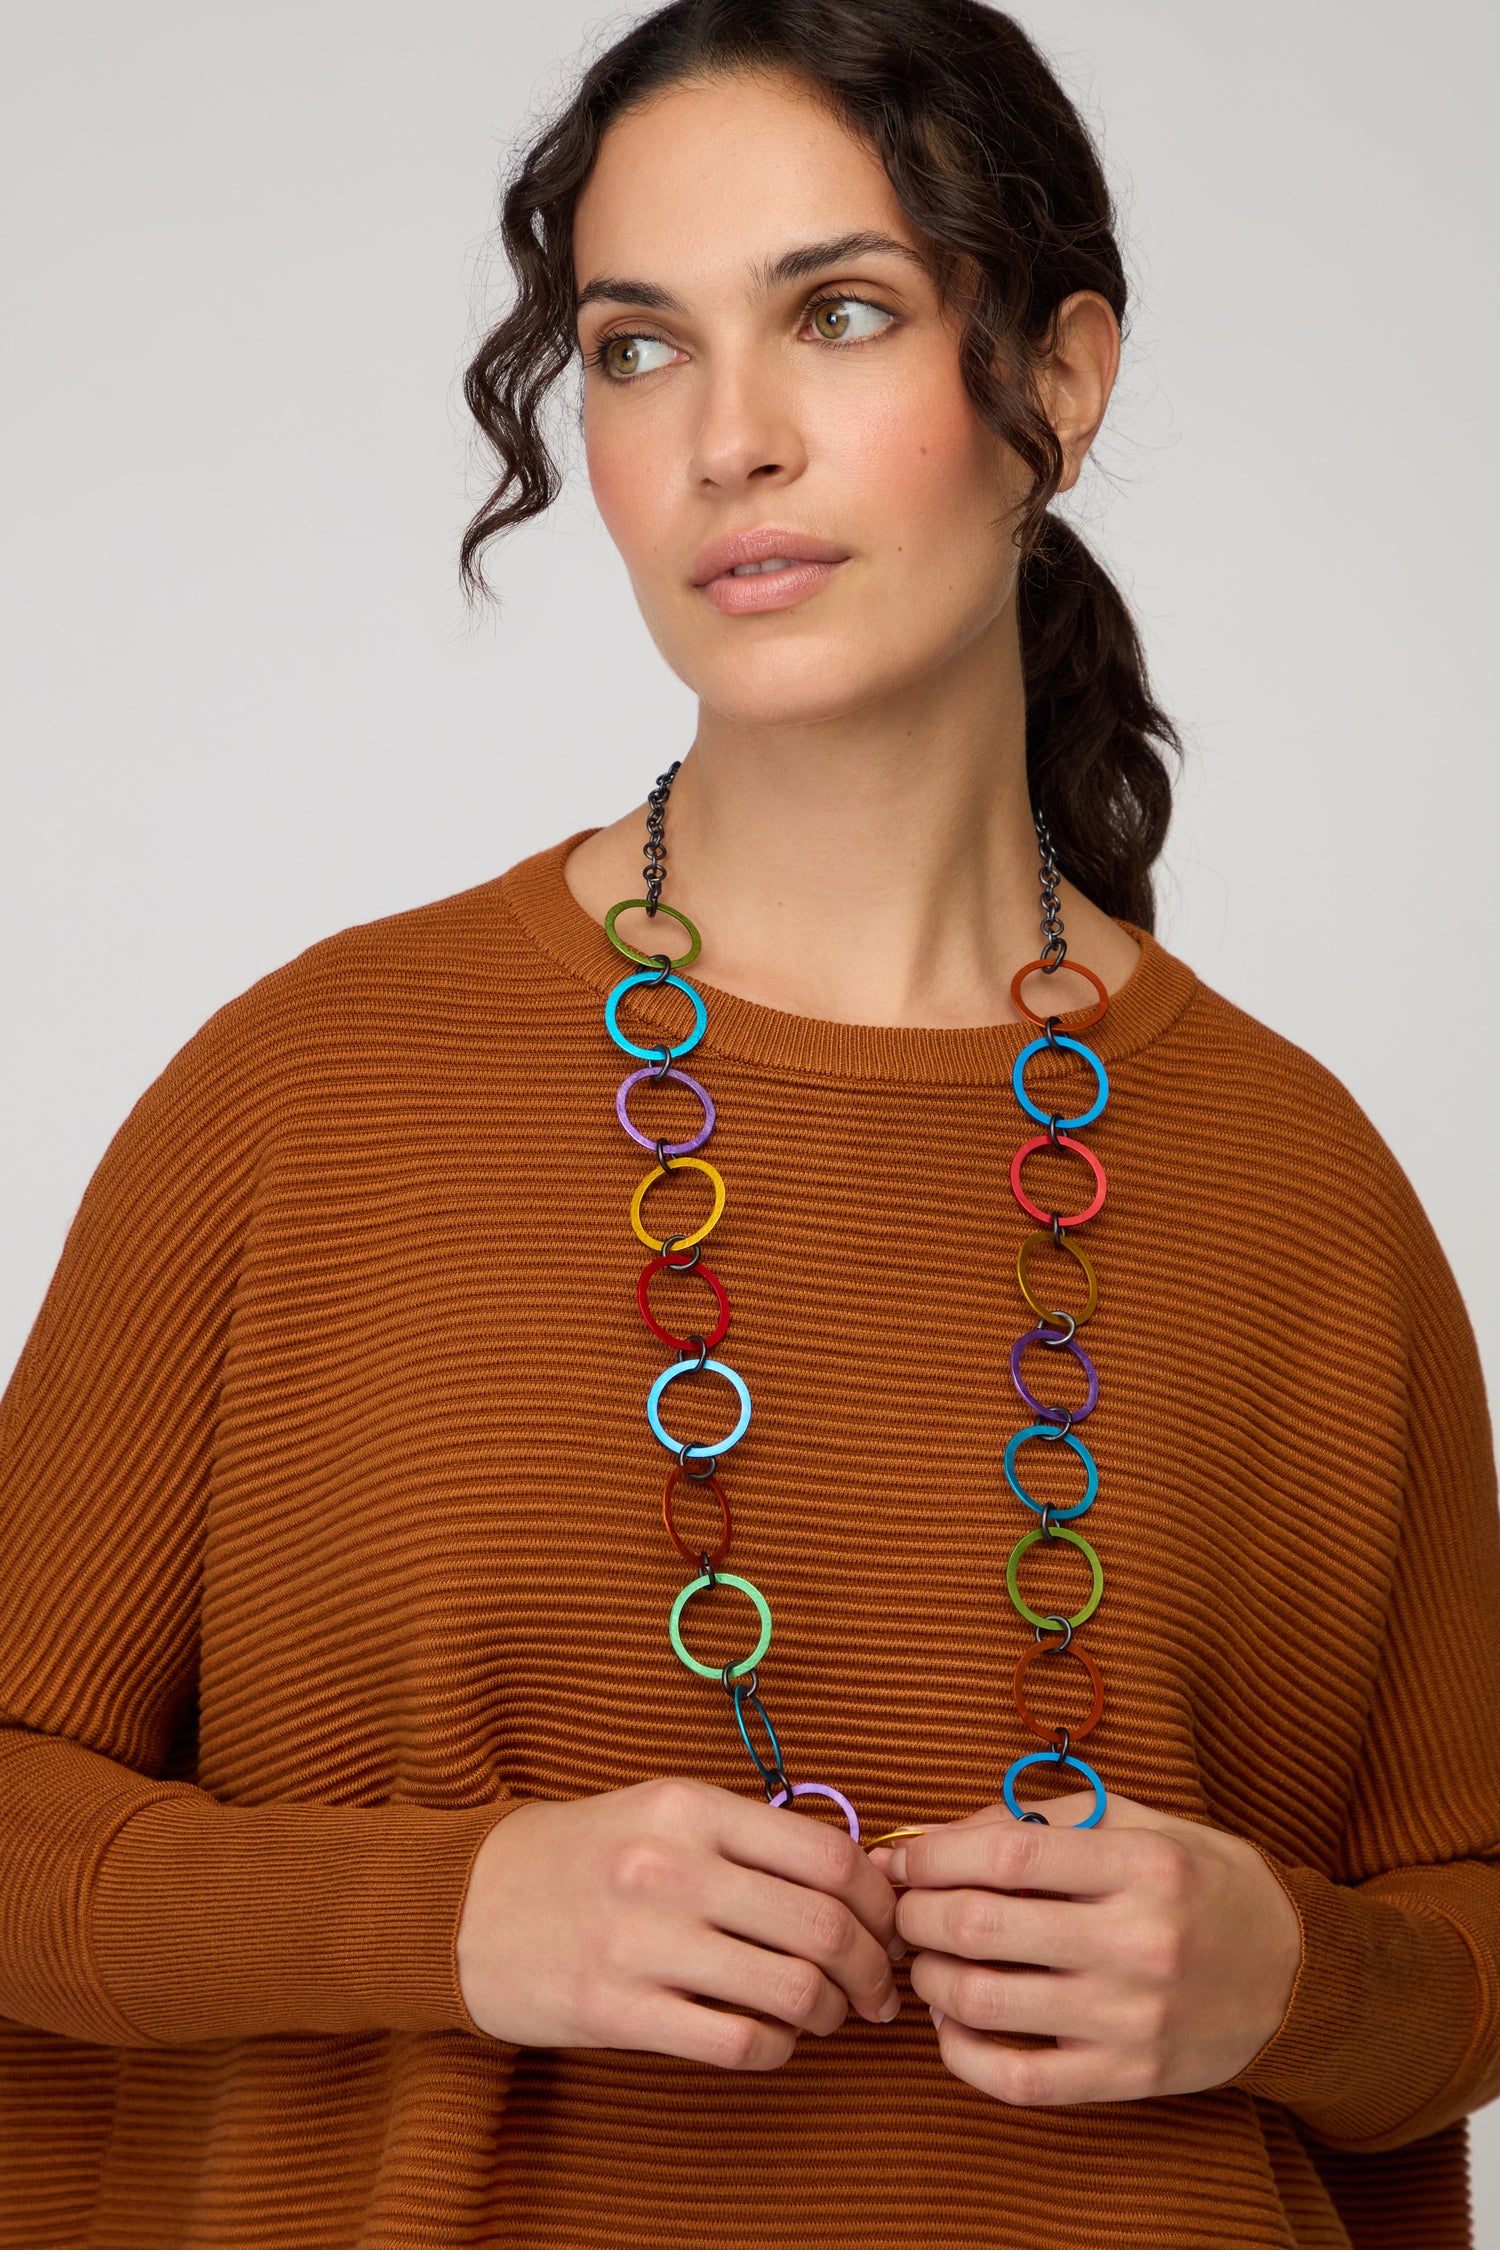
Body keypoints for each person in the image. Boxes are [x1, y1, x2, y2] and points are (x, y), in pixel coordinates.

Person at [2, 0, 1496, 2244]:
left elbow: (1458, 1947)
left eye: (842, 314)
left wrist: (1289, 1978)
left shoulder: (1301, 1188)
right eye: (634, 349)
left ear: (1059, 385)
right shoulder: (304, 1096)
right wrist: (448, 1914)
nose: (730, 440)